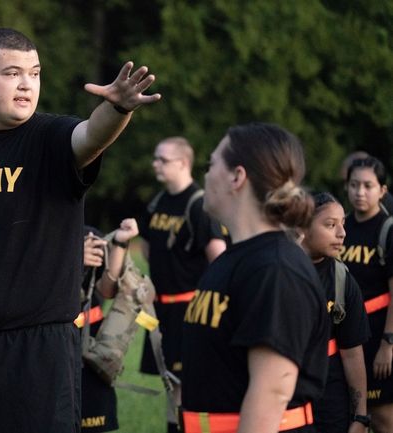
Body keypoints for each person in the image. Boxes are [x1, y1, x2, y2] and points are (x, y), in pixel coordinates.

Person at [0, 27, 160, 433]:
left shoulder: (50, 137)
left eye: (35, 74)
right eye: (12, 72)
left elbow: (91, 136)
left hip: (37, 351)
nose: (26, 84)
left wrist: (119, 109)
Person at [181, 122, 329, 433]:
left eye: (211, 165)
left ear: (237, 177)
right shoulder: (235, 260)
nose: (205, 175)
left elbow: (271, 394)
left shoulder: (275, 270)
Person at [138, 136, 226, 433]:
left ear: (183, 163)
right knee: (171, 385)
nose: (155, 164)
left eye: (162, 159)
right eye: (155, 158)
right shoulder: (158, 201)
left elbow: (220, 261)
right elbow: (148, 248)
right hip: (162, 309)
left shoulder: (199, 205)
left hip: (189, 310)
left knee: (187, 387)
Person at [299, 192, 371, 433]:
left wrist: (360, 416)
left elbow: (352, 354)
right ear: (303, 226)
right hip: (286, 398)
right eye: (330, 225)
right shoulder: (280, 272)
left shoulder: (342, 280)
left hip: (330, 399)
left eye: (343, 223)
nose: (342, 233)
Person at [342, 156, 393, 432]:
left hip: (378, 338)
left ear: (382, 190)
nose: (360, 192)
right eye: (354, 185)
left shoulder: (388, 229)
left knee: (382, 416)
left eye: (368, 186)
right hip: (346, 338)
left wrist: (388, 344)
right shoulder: (340, 226)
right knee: (352, 417)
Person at [78, 218, 140, 432]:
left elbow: (107, 290)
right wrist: (72, 259)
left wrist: (120, 244)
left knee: (92, 420)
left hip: (90, 345)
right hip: (49, 342)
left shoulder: (88, 234)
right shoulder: (32, 234)